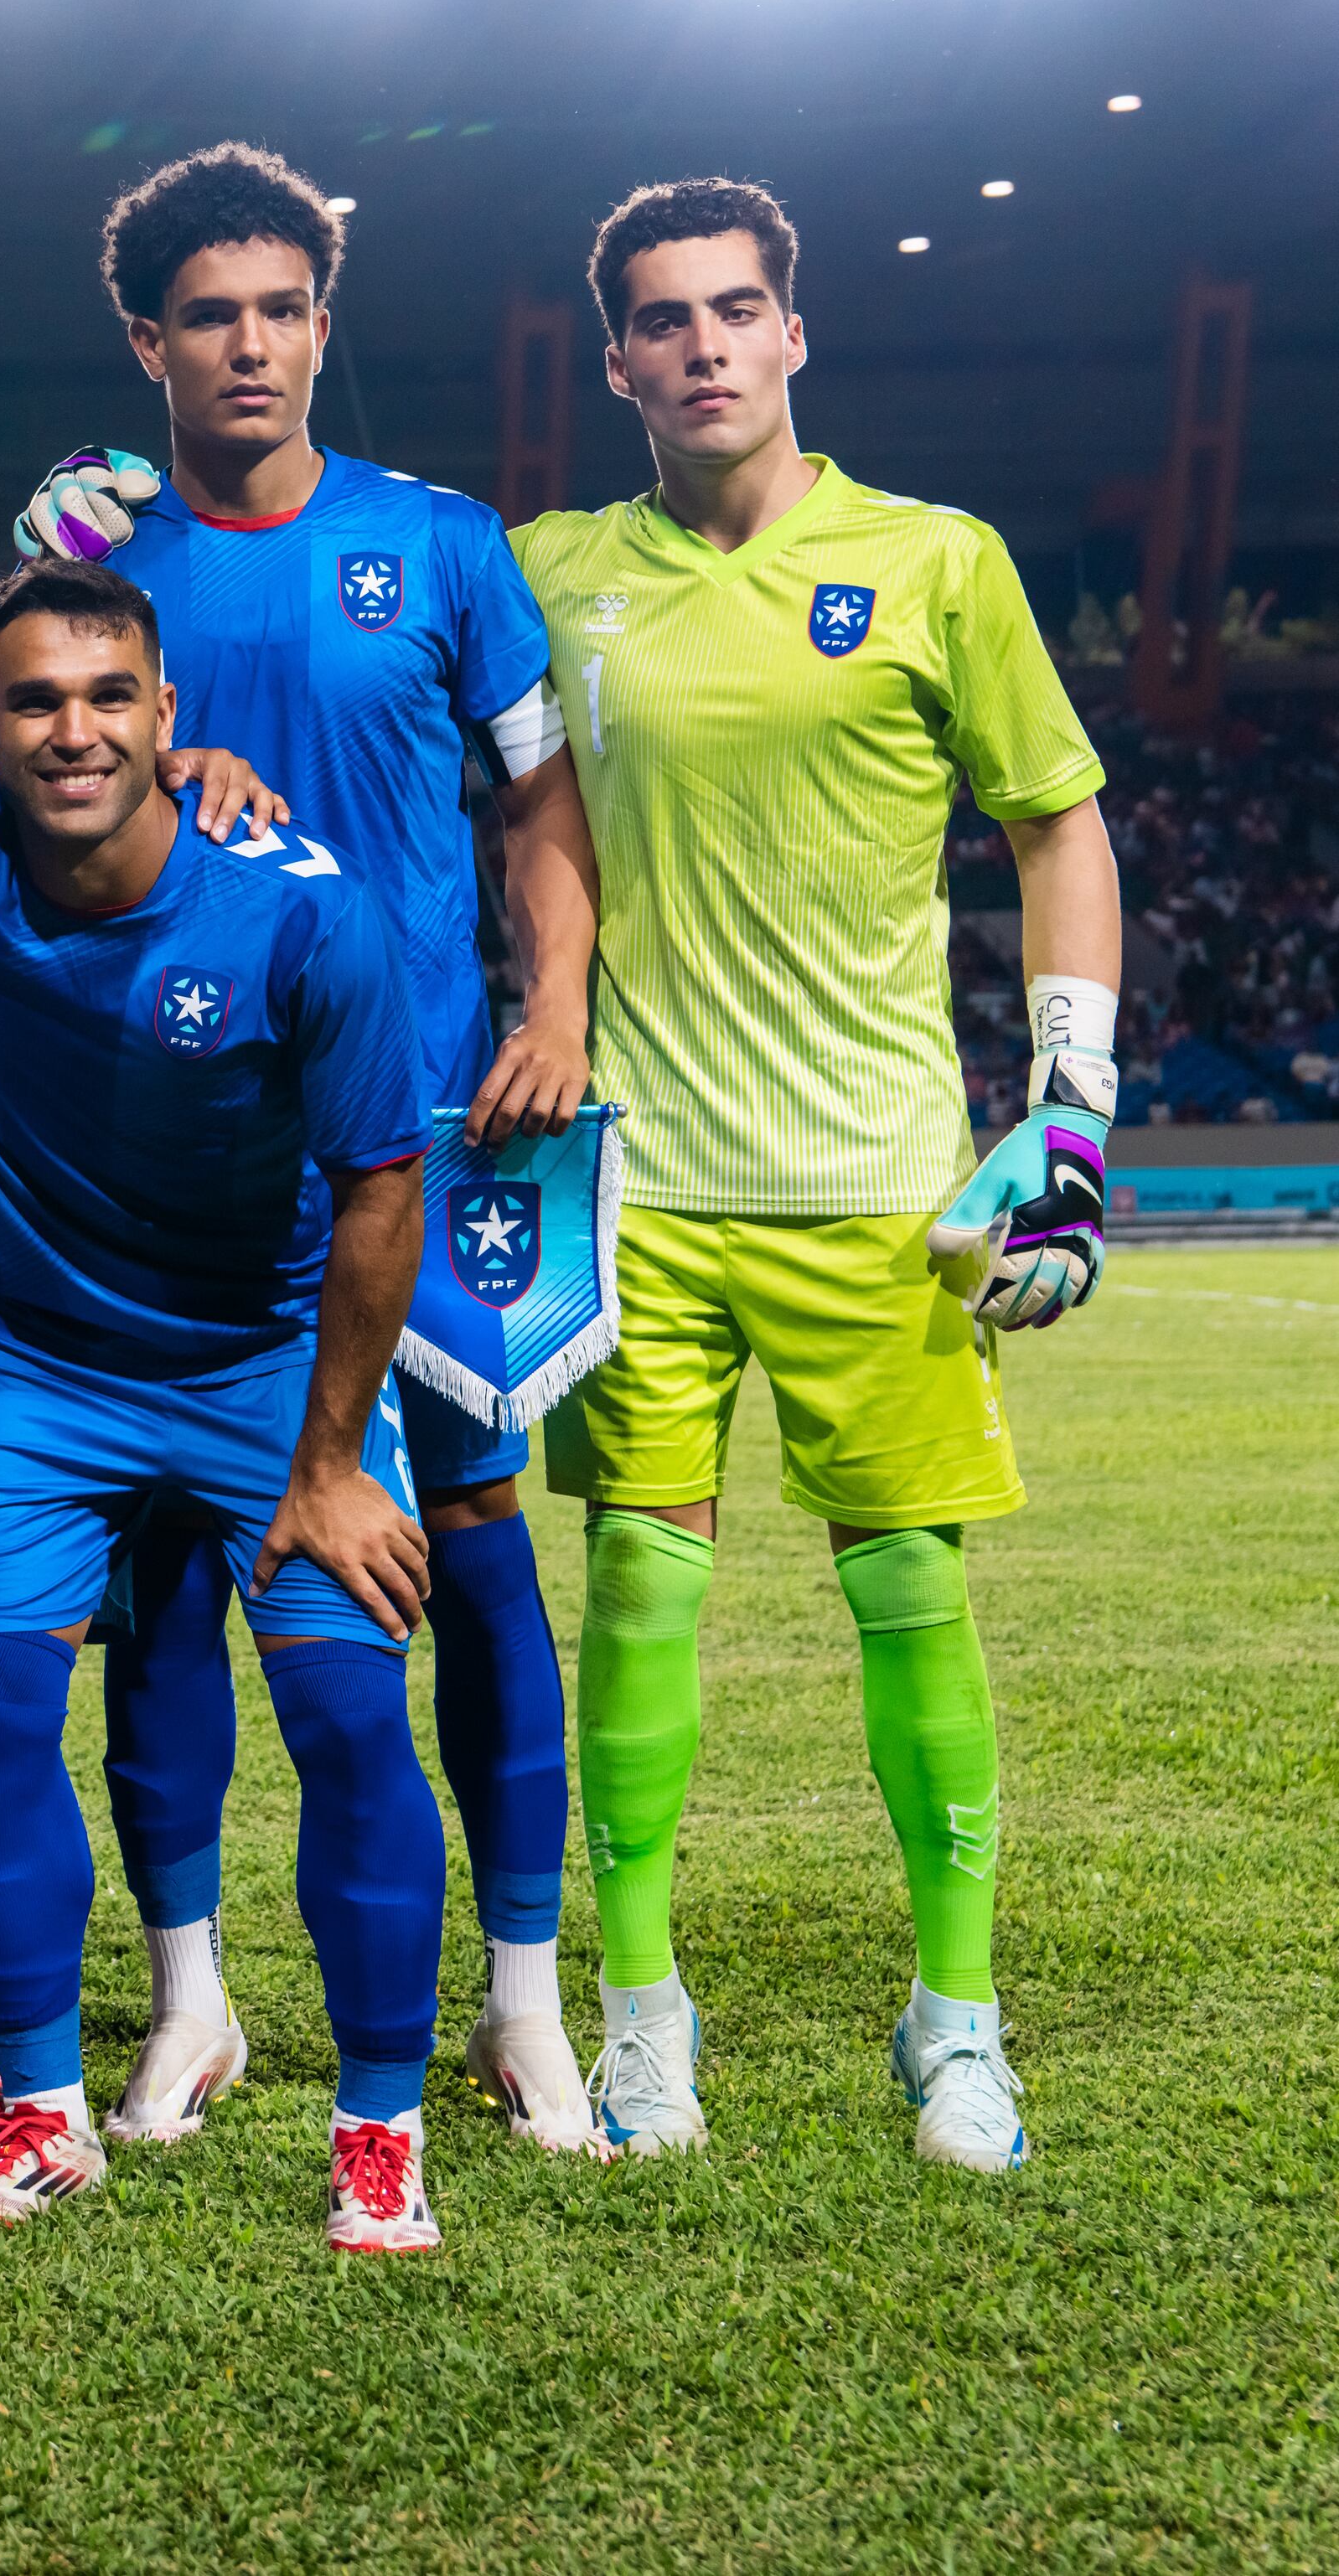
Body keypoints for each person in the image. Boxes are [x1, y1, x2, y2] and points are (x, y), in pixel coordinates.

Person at [0, 551, 457, 2253]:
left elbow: (382, 1189)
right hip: (43, 1370)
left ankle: (380, 2129)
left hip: (269, 1367)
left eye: (111, 697)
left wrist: (332, 1463)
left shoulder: (300, 914)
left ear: (165, 714)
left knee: (349, 1721)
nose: (75, 731)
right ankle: (43, 2115)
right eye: (37, 702)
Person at [513, 178, 1117, 2173]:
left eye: (733, 309)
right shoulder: (547, 571)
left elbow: (1057, 824)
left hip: (879, 1179)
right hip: (638, 1180)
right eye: (660, 317)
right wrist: (76, 555)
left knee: (910, 1588)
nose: (700, 344)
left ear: (792, 334)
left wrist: (1071, 1116)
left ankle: (957, 2022)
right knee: (633, 1582)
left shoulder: (935, 561)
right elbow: (339, 658)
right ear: (616, 361)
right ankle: (641, 2018)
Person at [11, 143, 605, 2153]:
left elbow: (537, 807)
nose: (248, 345)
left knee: (475, 1541)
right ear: (146, 345)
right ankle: (190, 1998)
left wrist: (553, 1006)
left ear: (323, 325)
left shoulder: (439, 544)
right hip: (177, 1146)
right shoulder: (99, 571)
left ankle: (521, 2000)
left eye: (280, 309)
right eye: (208, 316)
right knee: (169, 1566)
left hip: (424, 1136)